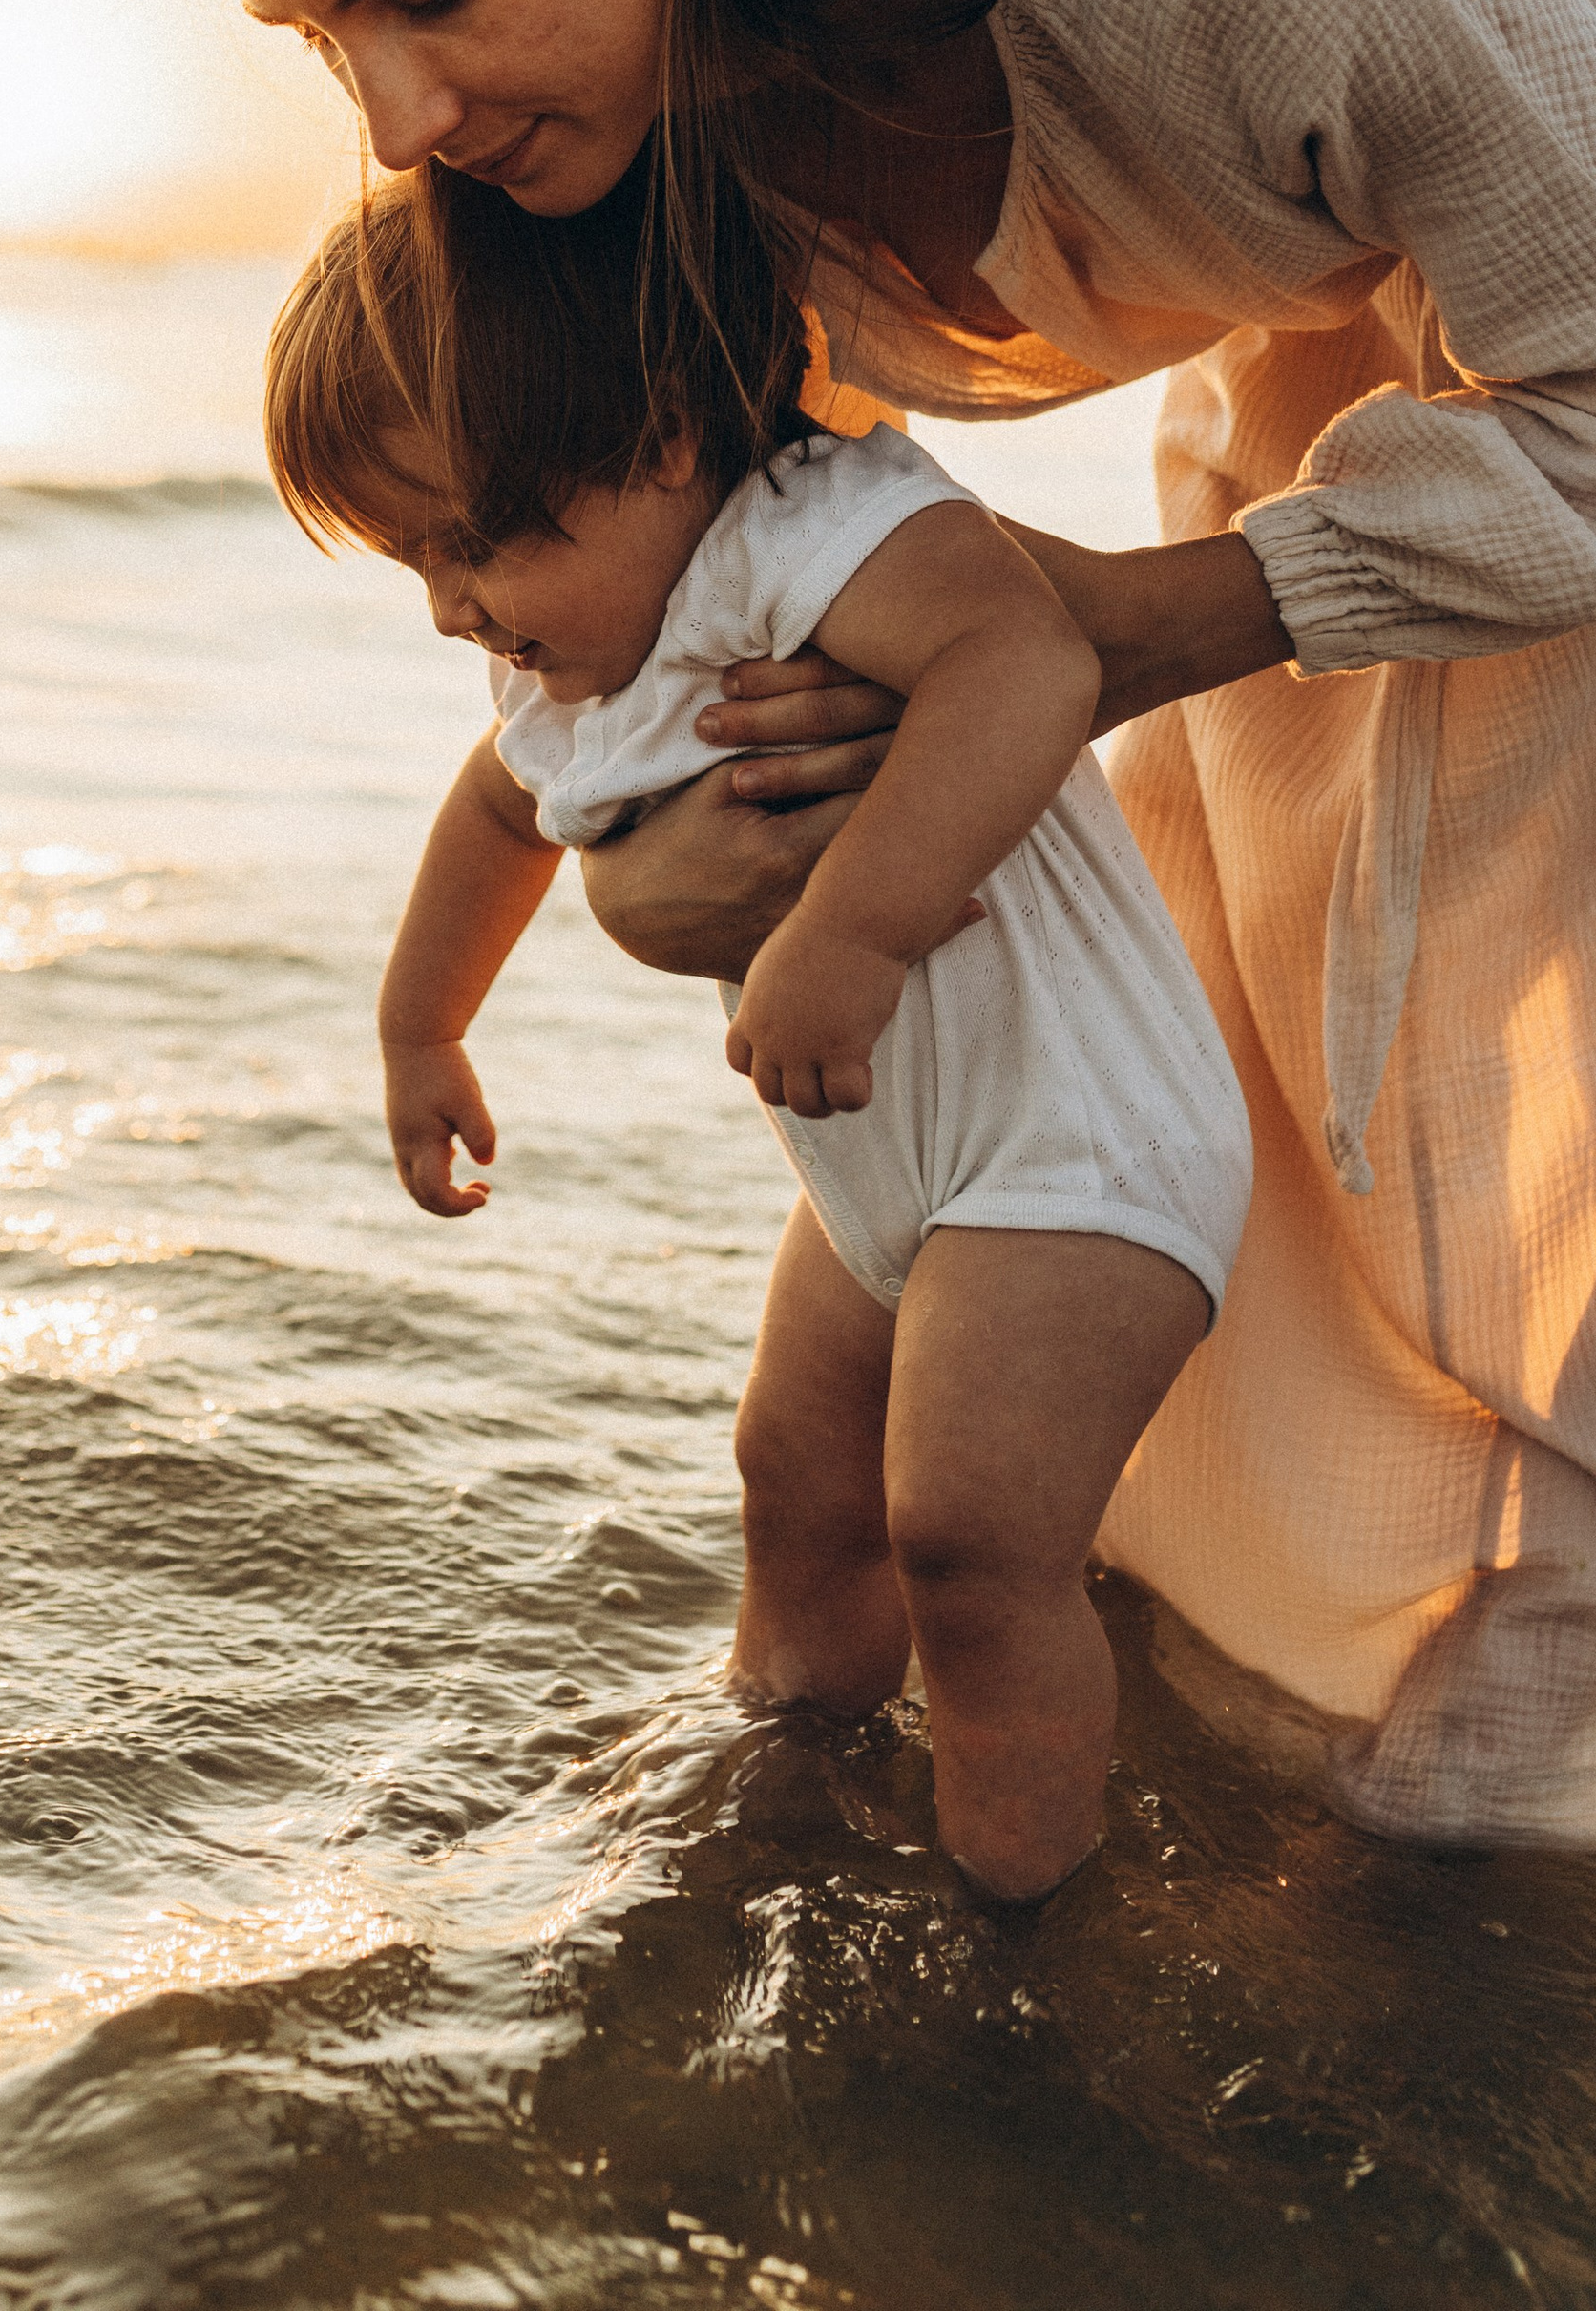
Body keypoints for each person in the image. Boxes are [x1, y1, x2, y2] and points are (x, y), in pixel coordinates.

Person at [116, 0, 1596, 1847]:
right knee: (1253, 907)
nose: (394, 123)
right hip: (1399, 180)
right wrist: (671, 860)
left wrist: (1135, 623)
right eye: (318, 40)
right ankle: (1197, 1662)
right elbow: (642, 634)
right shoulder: (622, 146)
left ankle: (1506, 1822)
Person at [260, 167, 1250, 1897]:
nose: (447, 605)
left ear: (655, 439)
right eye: (416, 557)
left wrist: (853, 933)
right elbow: (502, 815)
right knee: (795, 1472)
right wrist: (421, 1031)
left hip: (1081, 1141)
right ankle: (795, 1754)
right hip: (893, 1181)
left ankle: (1022, 1894)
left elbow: (1024, 660)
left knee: (968, 1537)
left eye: (474, 539)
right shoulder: (576, 657)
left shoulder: (807, 523)